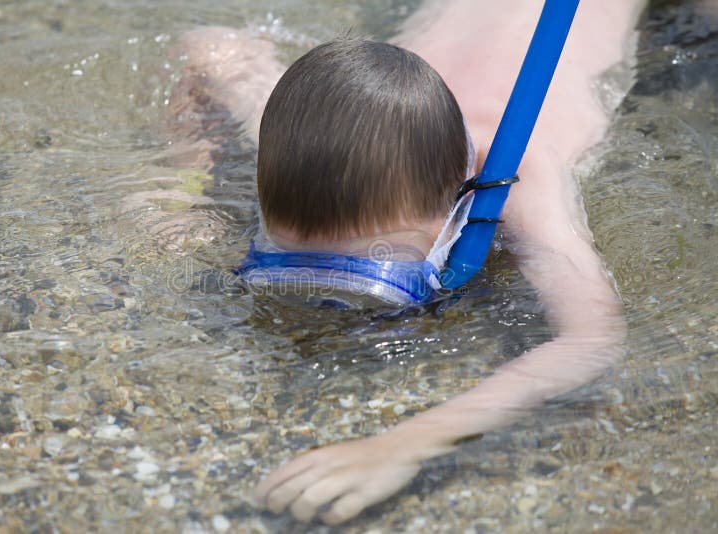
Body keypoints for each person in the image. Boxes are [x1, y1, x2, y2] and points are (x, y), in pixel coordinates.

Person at [170, 0, 646, 524]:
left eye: (377, 270)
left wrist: (406, 444)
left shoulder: (516, 181)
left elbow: (590, 340)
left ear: (453, 209)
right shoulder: (294, 140)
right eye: (288, 261)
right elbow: (209, 47)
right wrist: (179, 189)